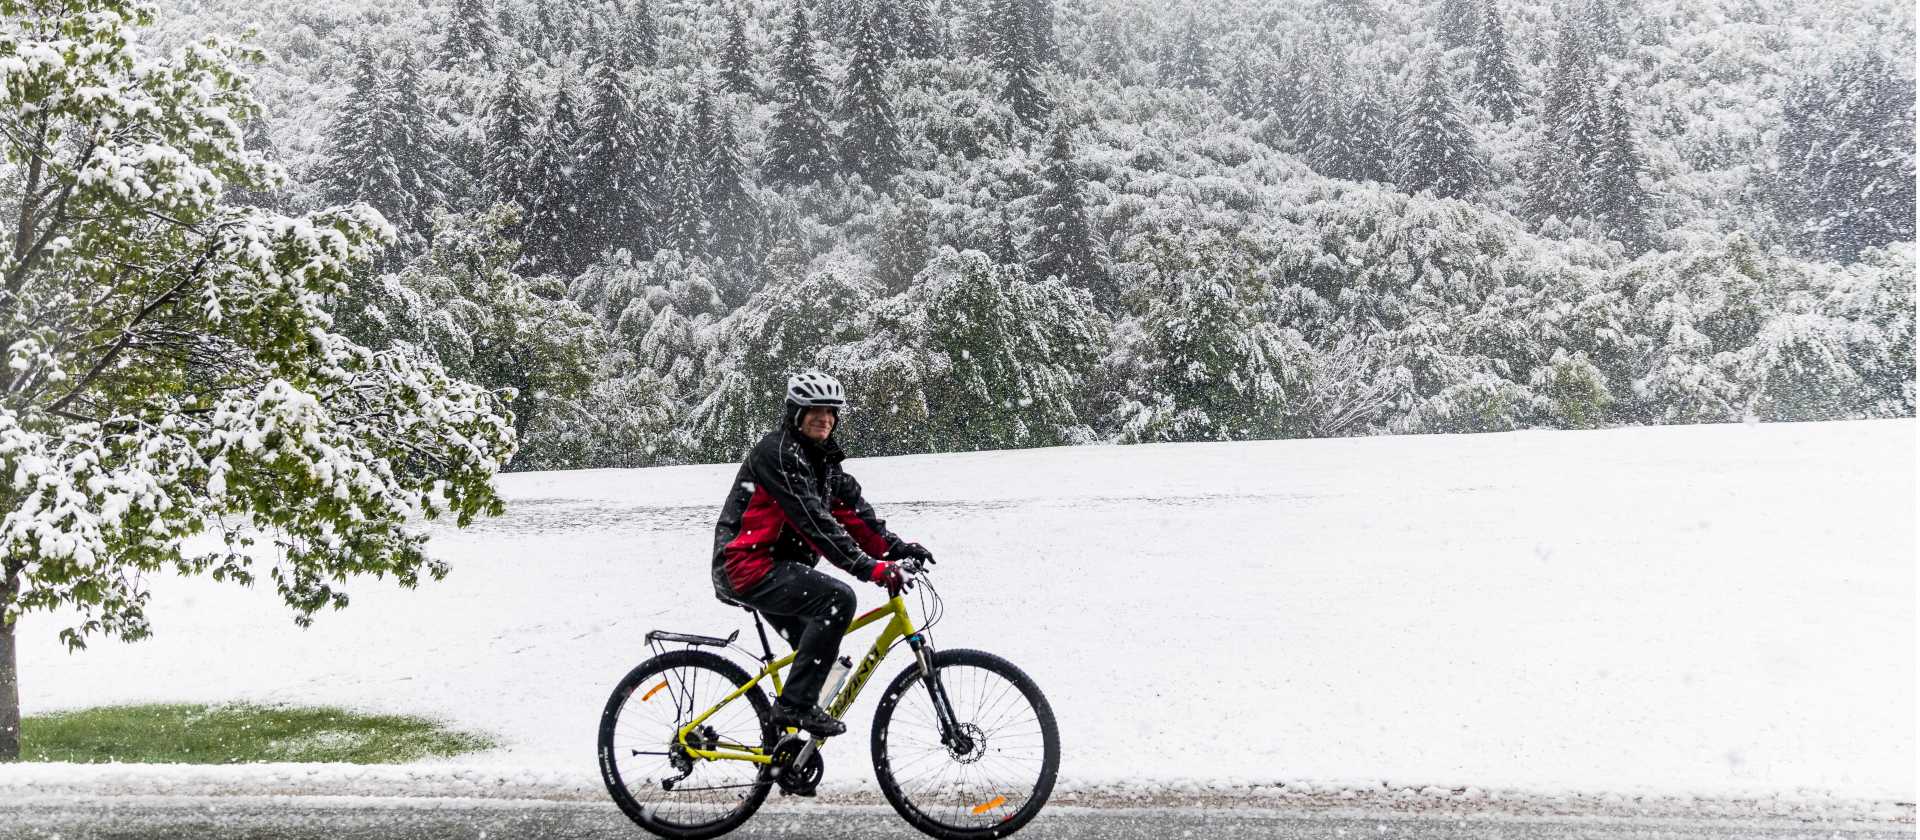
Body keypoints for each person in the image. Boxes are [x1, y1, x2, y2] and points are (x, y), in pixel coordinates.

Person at [710, 370, 935, 738]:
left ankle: (786, 755)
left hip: (778, 568)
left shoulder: (823, 464)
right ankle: (794, 707)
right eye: (815, 411)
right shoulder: (779, 454)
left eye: (831, 411)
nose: (824, 418)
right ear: (796, 414)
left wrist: (897, 548)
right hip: (746, 566)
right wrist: (870, 569)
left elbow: (856, 518)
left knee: (817, 654)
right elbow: (813, 522)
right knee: (836, 601)